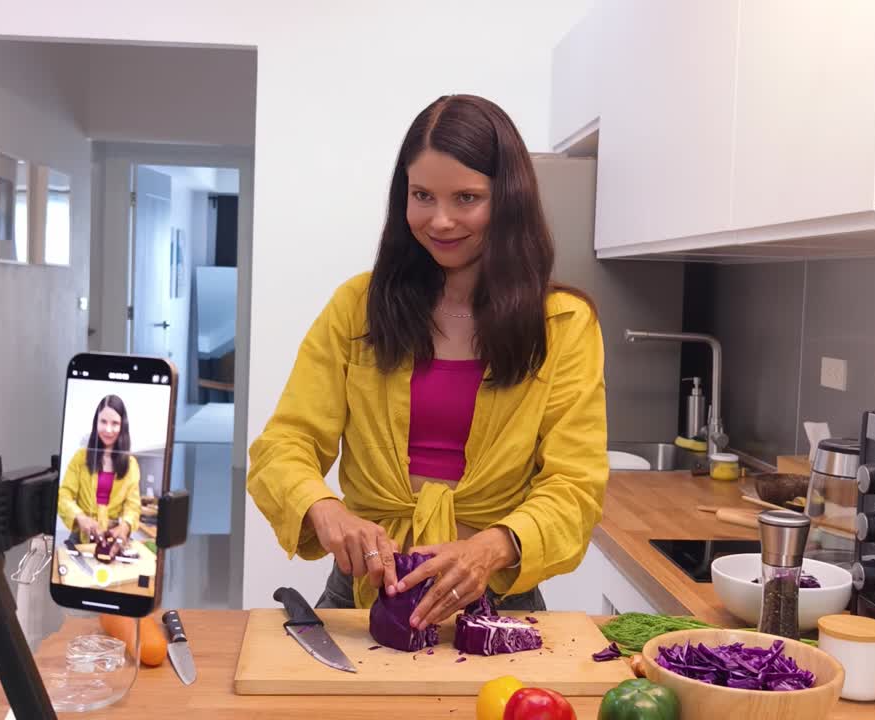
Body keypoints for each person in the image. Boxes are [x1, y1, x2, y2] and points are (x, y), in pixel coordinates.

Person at [247, 94, 608, 630]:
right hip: (365, 592)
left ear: (508, 201)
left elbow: (574, 487)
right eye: (422, 196)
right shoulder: (357, 308)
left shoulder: (563, 323)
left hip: (497, 603)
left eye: (466, 198)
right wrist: (327, 510)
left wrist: (492, 547)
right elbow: (284, 447)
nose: (440, 221)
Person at [58, 394, 142, 552]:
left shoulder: (131, 465)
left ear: (122, 426)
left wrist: (125, 526)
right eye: (103, 421)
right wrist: (80, 517)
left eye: (115, 423)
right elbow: (64, 495)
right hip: (81, 539)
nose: (108, 430)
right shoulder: (80, 457)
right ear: (96, 423)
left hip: (113, 541)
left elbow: (133, 506)